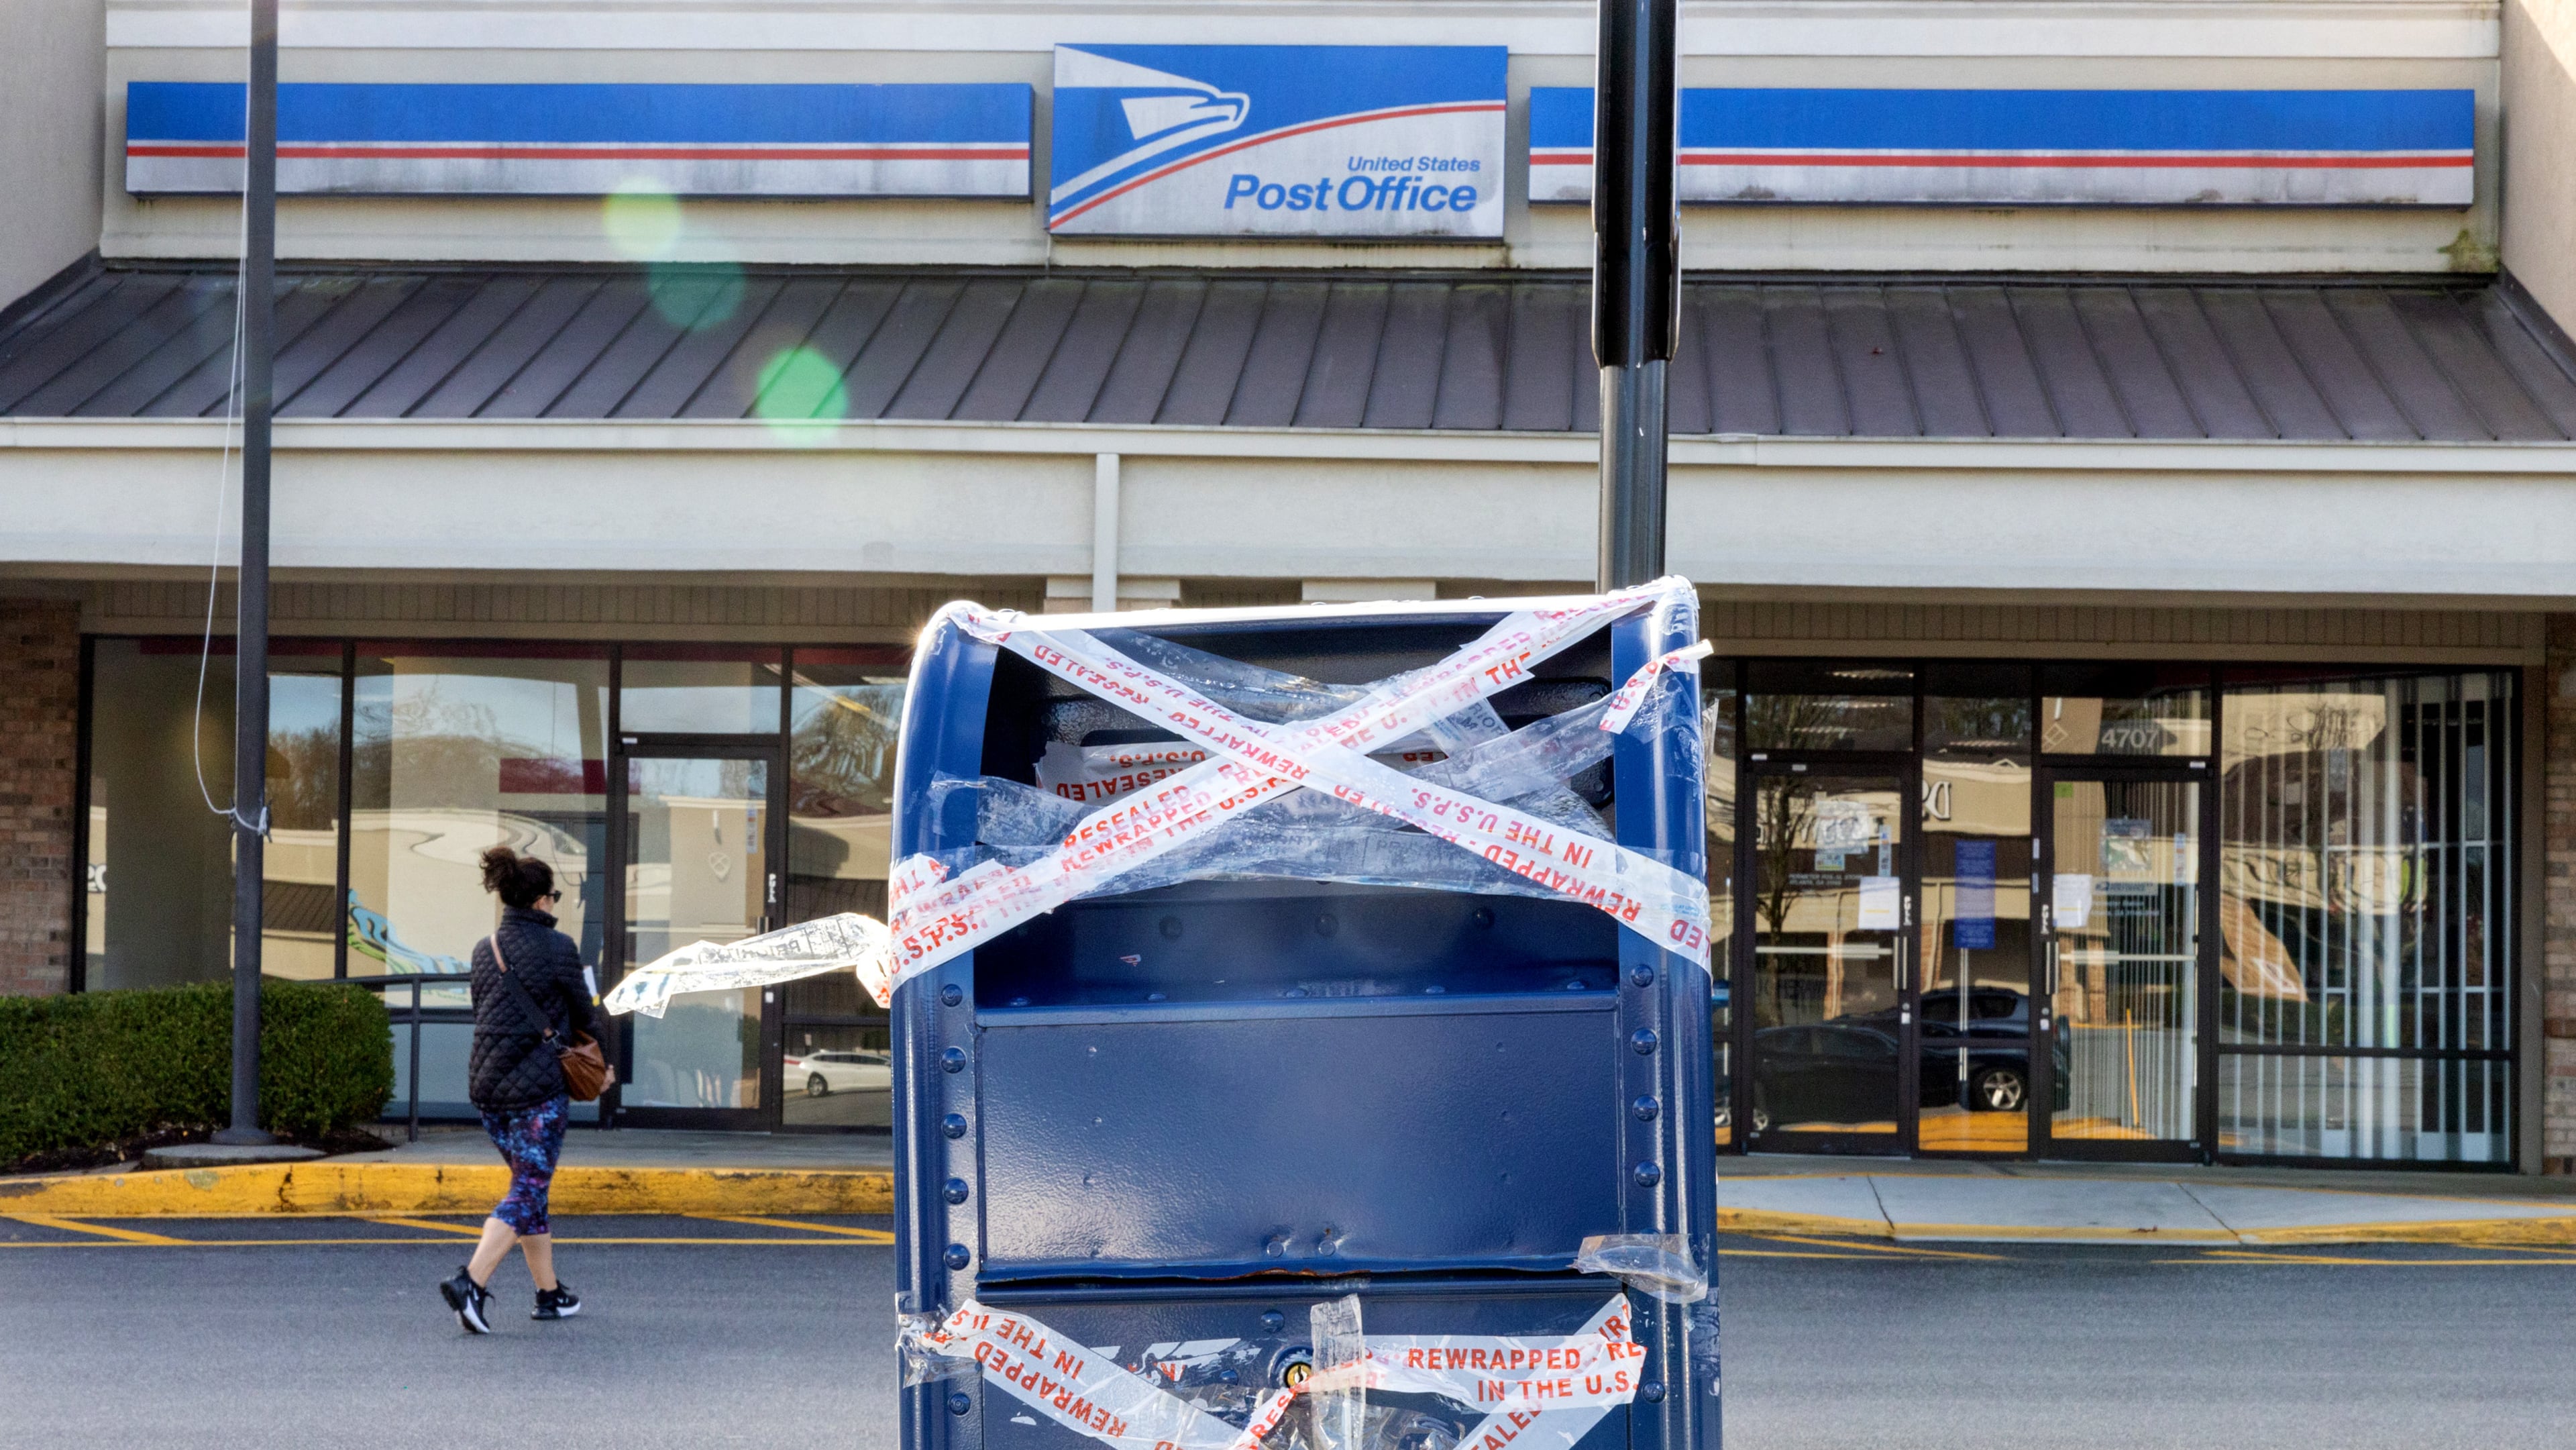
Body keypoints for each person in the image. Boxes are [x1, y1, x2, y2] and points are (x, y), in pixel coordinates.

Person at [439, 845, 596, 1334]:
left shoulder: (485, 948)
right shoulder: (560, 948)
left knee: (532, 1187)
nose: (556, 902)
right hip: (536, 1092)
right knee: (528, 1187)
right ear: (541, 900)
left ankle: (549, 1294)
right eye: (555, 894)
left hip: (487, 1089)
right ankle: (471, 1280)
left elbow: (483, 1010)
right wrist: (603, 1064)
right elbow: (585, 1017)